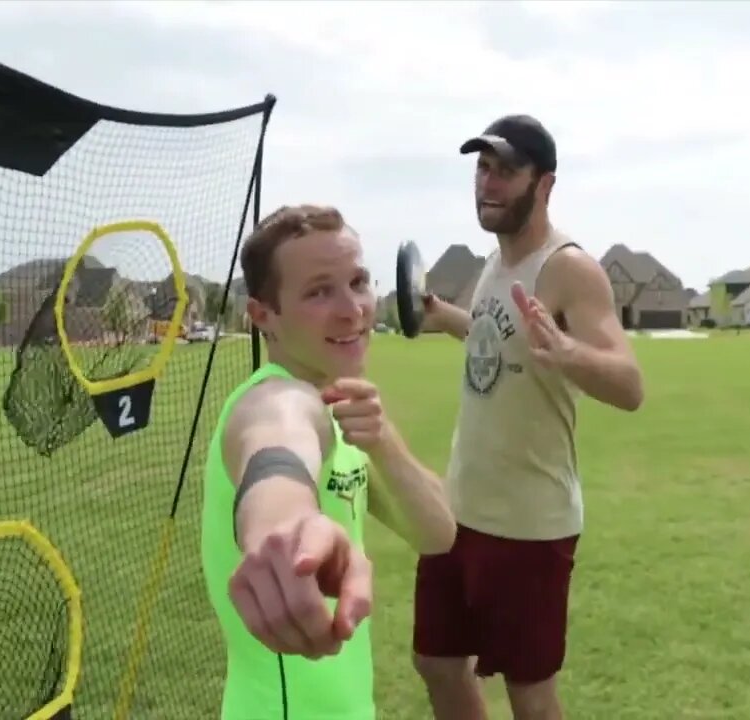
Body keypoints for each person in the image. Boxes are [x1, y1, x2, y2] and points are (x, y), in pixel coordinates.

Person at [412, 115, 645, 719]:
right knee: (437, 663)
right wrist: (445, 319)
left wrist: (569, 353)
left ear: (544, 185)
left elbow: (628, 383)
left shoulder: (569, 268)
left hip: (529, 526)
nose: (487, 183)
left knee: (530, 693)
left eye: (505, 171)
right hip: (457, 511)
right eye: (482, 168)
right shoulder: (495, 263)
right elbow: (499, 339)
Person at [200, 204, 457, 720]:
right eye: (319, 291)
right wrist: (287, 522)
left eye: (358, 282)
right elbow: (277, 436)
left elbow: (438, 534)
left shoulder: (344, 409)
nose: (354, 309)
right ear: (263, 316)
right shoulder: (271, 400)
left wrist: (383, 442)